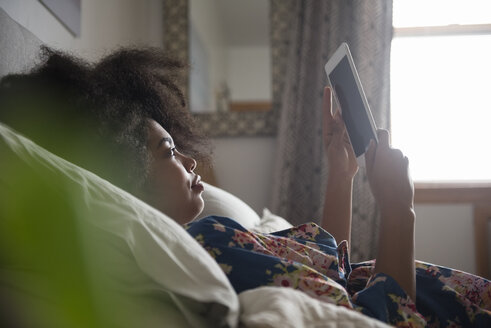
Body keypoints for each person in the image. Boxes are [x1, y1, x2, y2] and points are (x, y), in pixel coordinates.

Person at [1, 47, 489, 327]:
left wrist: (342, 177)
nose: (191, 160)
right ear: (121, 168)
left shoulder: (213, 233)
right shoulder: (208, 244)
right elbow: (382, 317)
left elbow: (328, 276)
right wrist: (400, 211)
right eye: (168, 151)